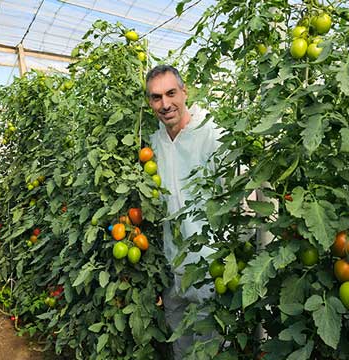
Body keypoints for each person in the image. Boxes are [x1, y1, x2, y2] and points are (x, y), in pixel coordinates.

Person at [146, 65, 222, 358]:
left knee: (211, 346)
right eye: (156, 98)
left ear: (184, 91)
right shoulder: (155, 142)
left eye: (171, 93)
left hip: (209, 268)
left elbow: (239, 199)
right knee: (181, 345)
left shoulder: (211, 134)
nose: (165, 104)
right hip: (172, 268)